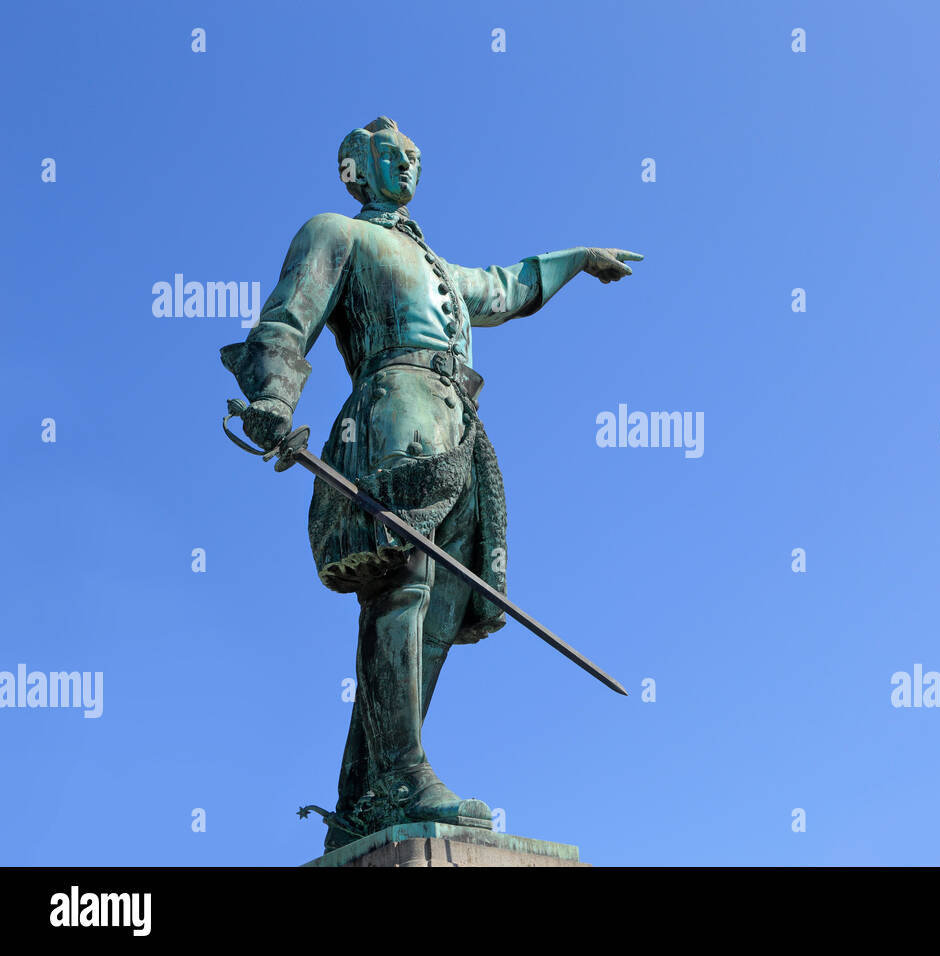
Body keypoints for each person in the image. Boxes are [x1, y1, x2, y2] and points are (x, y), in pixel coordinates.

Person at [219, 116, 641, 849]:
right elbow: (289, 316)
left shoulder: (439, 265)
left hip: (459, 429)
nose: (407, 163)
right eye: (391, 154)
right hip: (389, 421)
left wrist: (576, 258)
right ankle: (405, 769)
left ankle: (367, 786)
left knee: (441, 608)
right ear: (355, 168)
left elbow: (502, 288)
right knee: (403, 584)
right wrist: (273, 401)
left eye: (414, 155)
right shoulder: (338, 233)